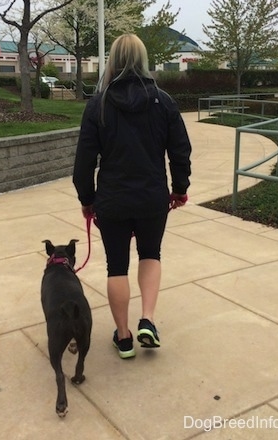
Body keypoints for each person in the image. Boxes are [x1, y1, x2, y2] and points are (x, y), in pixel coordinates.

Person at [73, 33, 191, 359]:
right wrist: (179, 189)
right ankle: (148, 321)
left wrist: (87, 199)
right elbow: (180, 151)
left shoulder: (98, 105)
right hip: (153, 198)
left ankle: (123, 338)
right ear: (142, 60)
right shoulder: (163, 102)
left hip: (112, 200)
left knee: (116, 267)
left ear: (112, 61)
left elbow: (84, 162)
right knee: (151, 254)